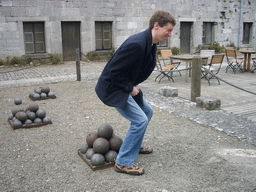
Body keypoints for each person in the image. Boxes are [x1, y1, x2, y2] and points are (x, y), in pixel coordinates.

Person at [95, 10, 176, 175]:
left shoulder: (151, 43)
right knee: (140, 120)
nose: (170, 34)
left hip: (124, 85)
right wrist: (130, 88)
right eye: (168, 30)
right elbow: (112, 72)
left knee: (148, 111)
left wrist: (132, 86)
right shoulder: (137, 44)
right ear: (156, 25)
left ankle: (134, 146)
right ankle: (123, 162)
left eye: (171, 31)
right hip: (113, 88)